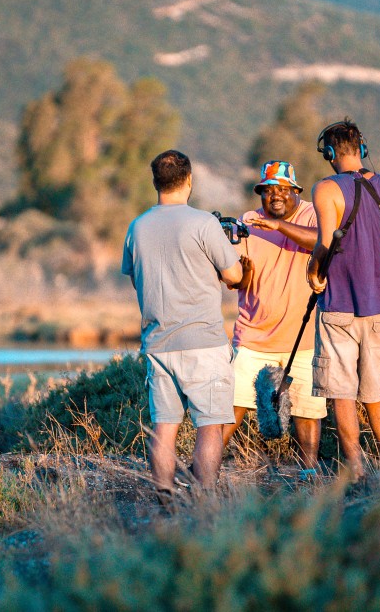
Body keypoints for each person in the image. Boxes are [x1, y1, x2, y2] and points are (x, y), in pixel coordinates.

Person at [122, 150, 243, 493]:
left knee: (164, 428)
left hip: (158, 343)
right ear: (189, 180)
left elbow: (137, 280)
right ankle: (204, 498)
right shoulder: (204, 223)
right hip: (203, 342)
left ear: (155, 182)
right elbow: (234, 275)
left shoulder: (138, 227)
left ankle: (164, 497)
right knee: (209, 427)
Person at [306, 119, 380, 480]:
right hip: (379, 307)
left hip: (339, 305)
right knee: (374, 393)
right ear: (362, 149)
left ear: (331, 153)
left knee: (342, 394)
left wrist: (313, 271)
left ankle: (355, 471)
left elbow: (324, 243)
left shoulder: (326, 189)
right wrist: (375, 240)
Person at [222, 161, 326, 478]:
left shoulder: (313, 215)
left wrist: (280, 228)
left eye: (282, 189)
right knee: (231, 406)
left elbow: (324, 241)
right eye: (268, 190)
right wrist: (243, 273)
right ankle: (204, 469)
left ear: (296, 191)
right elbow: (236, 280)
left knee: (308, 411)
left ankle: (308, 474)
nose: (275, 196)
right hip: (253, 335)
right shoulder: (249, 221)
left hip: (305, 337)